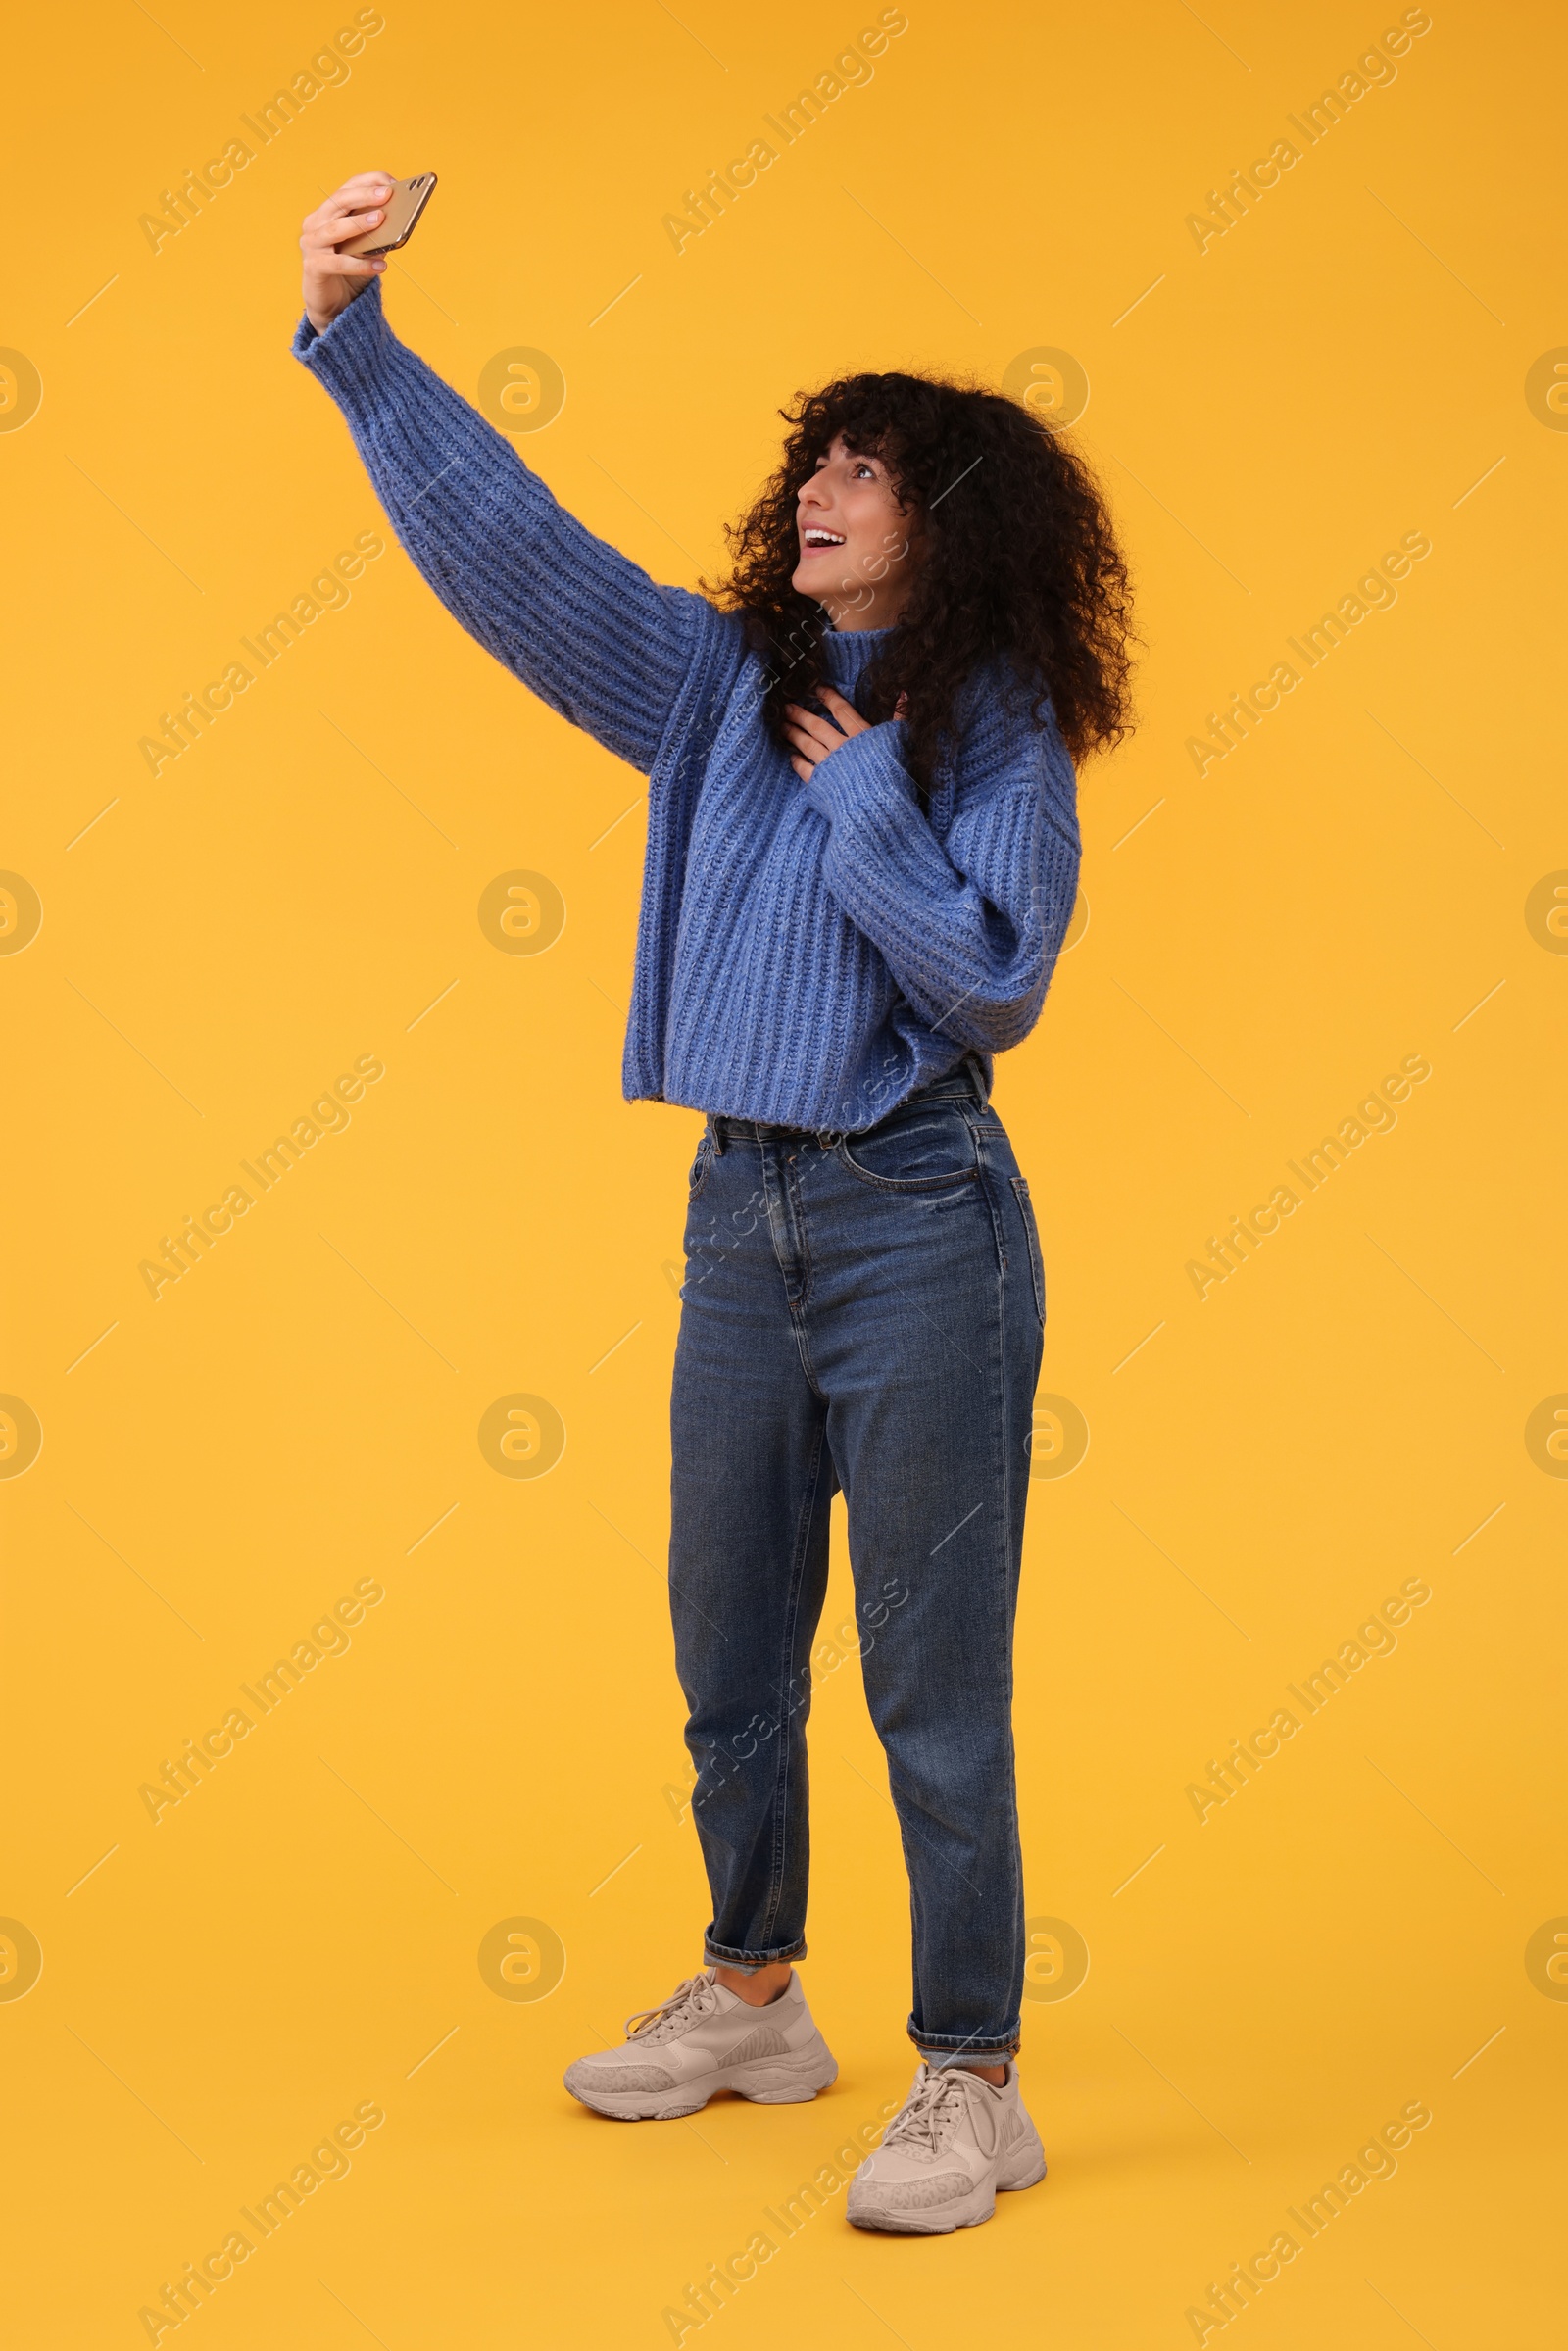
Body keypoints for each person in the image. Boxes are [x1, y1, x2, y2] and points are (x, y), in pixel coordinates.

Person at [296, 173, 1132, 2235]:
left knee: (931, 1679)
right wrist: (357, 346)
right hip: (735, 1218)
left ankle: (971, 2077)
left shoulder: (990, 722)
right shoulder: (704, 691)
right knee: (726, 1642)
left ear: (955, 518)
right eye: (815, 463)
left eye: (868, 469)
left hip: (919, 1215)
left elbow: (993, 978)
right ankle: (753, 1995)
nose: (823, 489)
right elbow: (514, 561)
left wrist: (863, 793)